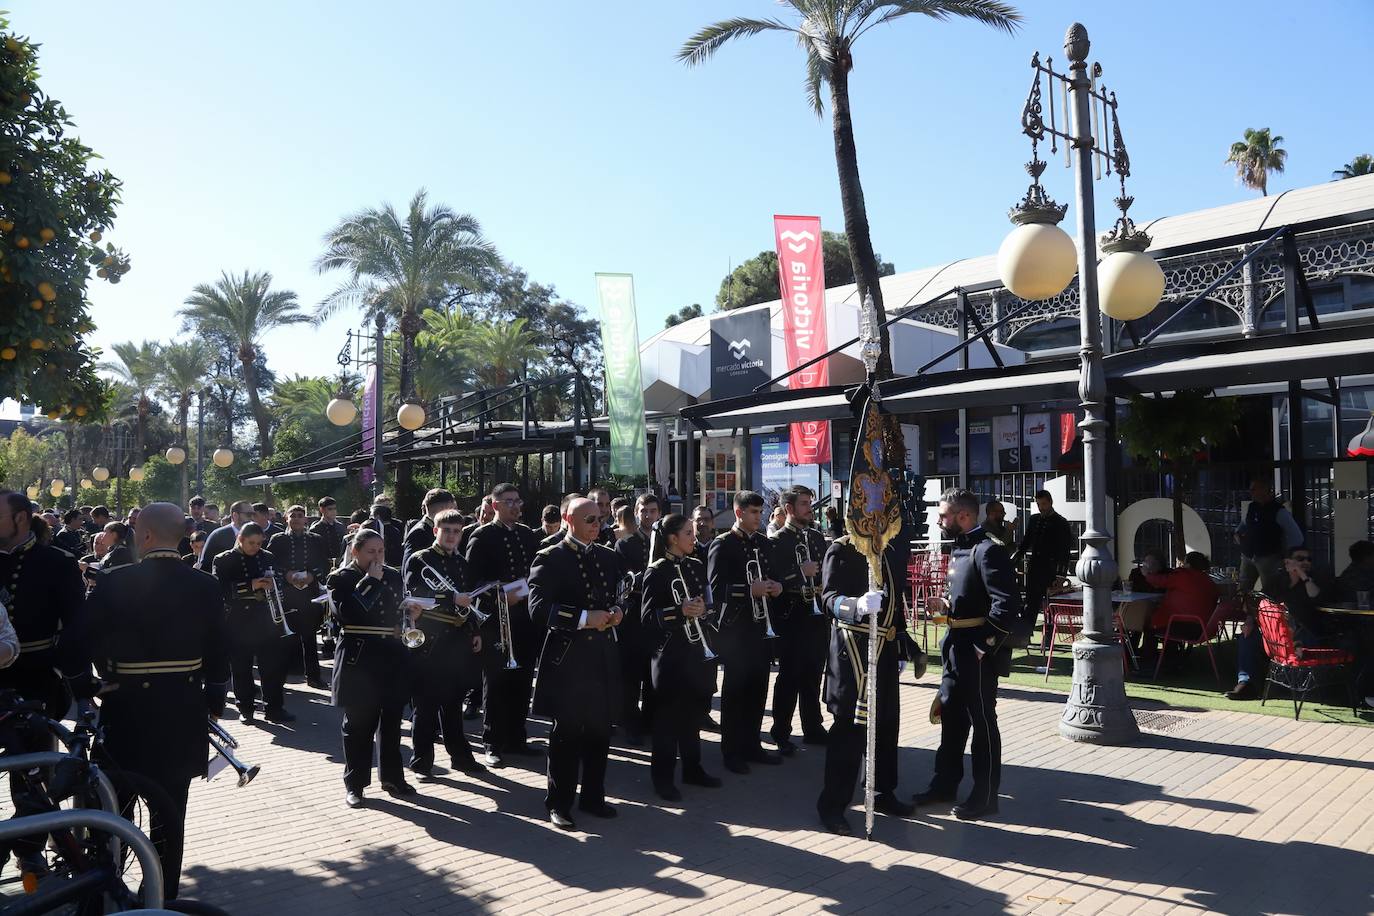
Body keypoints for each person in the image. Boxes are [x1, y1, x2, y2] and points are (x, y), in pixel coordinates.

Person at [79, 502, 230, 899]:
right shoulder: (206, 584)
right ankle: (162, 895)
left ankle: (104, 887)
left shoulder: (114, 581)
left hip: (125, 711)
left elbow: (78, 640)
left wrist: (86, 688)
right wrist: (215, 697)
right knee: (170, 813)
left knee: (110, 809)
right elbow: (220, 649)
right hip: (181, 711)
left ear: (144, 536)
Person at [917, 487, 1021, 821]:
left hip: (977, 652)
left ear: (963, 516)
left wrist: (982, 646)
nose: (939, 520)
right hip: (955, 645)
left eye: (944, 515)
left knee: (982, 721)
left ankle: (986, 796)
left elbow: (1006, 605)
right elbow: (969, 597)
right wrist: (947, 605)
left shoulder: (989, 550)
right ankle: (944, 785)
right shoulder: (962, 549)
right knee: (951, 716)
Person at [816, 523, 921, 835]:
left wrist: (902, 643)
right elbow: (828, 598)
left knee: (886, 728)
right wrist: (855, 605)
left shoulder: (887, 551)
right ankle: (832, 806)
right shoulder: (842, 548)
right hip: (853, 655)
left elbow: (895, 603)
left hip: (885, 652)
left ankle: (881, 793)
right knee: (848, 732)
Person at [528, 496, 625, 830]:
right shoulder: (550, 557)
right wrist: (585, 617)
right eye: (590, 520)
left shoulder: (607, 556)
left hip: (601, 656)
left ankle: (593, 797)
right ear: (569, 519)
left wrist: (617, 611)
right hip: (569, 658)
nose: (597, 526)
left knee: (600, 731)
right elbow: (538, 609)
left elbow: (616, 594)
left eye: (599, 519)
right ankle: (559, 802)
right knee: (566, 734)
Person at [328, 528, 415, 807]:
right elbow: (348, 613)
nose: (377, 558)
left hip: (391, 657)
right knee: (358, 727)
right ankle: (355, 784)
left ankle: (393, 777)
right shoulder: (341, 578)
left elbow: (395, 611)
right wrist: (371, 582)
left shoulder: (392, 574)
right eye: (370, 552)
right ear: (355, 552)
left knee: (391, 723)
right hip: (359, 659)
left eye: (381, 551)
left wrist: (410, 612)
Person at [641, 513, 721, 801]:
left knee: (692, 715)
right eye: (688, 533)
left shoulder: (697, 566)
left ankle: (693, 768)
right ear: (673, 538)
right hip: (669, 655)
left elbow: (709, 603)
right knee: (666, 721)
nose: (693, 537)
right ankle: (662, 778)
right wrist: (679, 611)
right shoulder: (656, 571)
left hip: (695, 651)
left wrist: (703, 609)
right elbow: (648, 617)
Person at [403, 509, 486, 779]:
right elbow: (414, 590)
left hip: (457, 639)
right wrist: (451, 597)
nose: (452, 536)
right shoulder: (420, 559)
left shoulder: (462, 563)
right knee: (426, 705)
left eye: (456, 531)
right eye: (446, 530)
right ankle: (421, 763)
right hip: (429, 638)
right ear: (435, 531)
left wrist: (474, 630)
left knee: (453, 703)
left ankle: (460, 757)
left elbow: (469, 601)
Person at [708, 490, 784, 774]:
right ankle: (731, 750)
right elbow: (715, 588)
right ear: (739, 513)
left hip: (761, 627)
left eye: (760, 512)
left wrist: (776, 586)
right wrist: (747, 590)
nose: (759, 517)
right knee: (735, 691)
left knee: (757, 688)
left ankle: (752, 744)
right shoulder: (723, 544)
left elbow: (772, 574)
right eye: (753, 512)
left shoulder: (764, 543)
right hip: (737, 629)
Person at [465, 482, 540, 767]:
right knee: (496, 682)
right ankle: (492, 741)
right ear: (494, 505)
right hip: (496, 620)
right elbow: (472, 581)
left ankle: (516, 739)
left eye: (517, 500)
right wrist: (499, 594)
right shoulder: (481, 536)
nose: (515, 505)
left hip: (524, 618)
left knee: (522, 680)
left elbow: (534, 573)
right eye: (509, 501)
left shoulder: (526, 534)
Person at [0, 491, 87, 720]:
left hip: (37, 678)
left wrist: (77, 678)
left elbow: (75, 625)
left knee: (37, 752)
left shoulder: (57, 561)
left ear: (20, 518)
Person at [768, 485, 830, 753]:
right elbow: (773, 581)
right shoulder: (777, 541)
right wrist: (799, 572)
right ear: (790, 509)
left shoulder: (816, 538)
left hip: (816, 618)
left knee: (813, 675)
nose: (810, 508)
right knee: (789, 677)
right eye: (804, 504)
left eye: (810, 503)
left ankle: (813, 727)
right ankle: (781, 732)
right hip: (792, 616)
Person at [212, 523, 294, 724]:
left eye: (259, 543)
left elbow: (279, 583)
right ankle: (246, 708)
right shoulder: (224, 559)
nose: (255, 547)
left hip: (266, 620)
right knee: (241, 668)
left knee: (272, 667)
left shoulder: (268, 557)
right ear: (240, 538)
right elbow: (219, 590)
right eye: (251, 543)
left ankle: (274, 708)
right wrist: (251, 585)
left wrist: (275, 588)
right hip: (239, 621)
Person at [614, 493, 660, 744]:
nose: (648, 515)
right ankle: (629, 723)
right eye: (644, 510)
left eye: (653, 511)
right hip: (634, 616)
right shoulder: (626, 544)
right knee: (631, 674)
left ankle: (651, 720)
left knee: (653, 673)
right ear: (636, 512)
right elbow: (623, 582)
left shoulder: (666, 541)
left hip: (658, 615)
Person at [267, 506, 330, 690]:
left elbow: (324, 564)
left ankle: (314, 676)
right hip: (287, 593)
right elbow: (271, 562)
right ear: (286, 518)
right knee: (286, 638)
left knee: (310, 637)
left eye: (300, 516)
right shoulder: (278, 539)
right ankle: (286, 675)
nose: (296, 519)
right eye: (292, 516)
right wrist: (286, 575)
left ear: (305, 520)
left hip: (309, 594)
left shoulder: (316, 539)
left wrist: (312, 575)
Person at [1015, 490, 1072, 650]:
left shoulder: (1061, 522)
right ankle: (1025, 635)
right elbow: (1026, 542)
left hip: (1051, 569)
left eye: (1044, 504)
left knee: (1049, 605)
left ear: (1050, 502)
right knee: (1031, 604)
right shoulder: (1034, 520)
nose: (1041, 508)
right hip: (1035, 568)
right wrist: (1015, 558)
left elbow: (1064, 551)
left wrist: (1061, 574)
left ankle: (1048, 638)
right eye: (1039, 504)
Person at [1140, 552, 1218, 667]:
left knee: (1149, 626)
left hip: (1185, 626)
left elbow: (1161, 581)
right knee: (1166, 622)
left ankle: (1149, 662)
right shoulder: (1208, 581)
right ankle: (1170, 658)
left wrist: (1147, 575)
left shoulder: (1183, 575)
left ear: (1188, 564)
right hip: (1204, 628)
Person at [1234, 478, 1304, 597]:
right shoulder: (1252, 507)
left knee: (1270, 592)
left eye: (1254, 489)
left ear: (1264, 490)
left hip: (1268, 557)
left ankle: (1268, 614)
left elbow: (1296, 536)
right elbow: (1246, 523)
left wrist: (1287, 555)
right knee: (1243, 590)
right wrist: (1237, 532)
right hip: (1248, 554)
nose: (1251, 492)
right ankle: (1246, 613)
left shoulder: (1278, 511)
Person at [404, 488, 456, 565]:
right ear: (443, 509)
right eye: (451, 509)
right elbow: (410, 565)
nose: (453, 513)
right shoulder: (419, 533)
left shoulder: (434, 529)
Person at [198, 500, 252, 572]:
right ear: (235, 515)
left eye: (253, 514)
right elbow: (205, 565)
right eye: (249, 514)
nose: (252, 518)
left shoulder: (256, 534)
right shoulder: (218, 535)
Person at [309, 496, 346, 569]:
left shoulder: (340, 526)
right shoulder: (315, 529)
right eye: (330, 509)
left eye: (334, 508)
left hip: (340, 565)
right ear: (322, 510)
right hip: (323, 566)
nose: (333, 511)